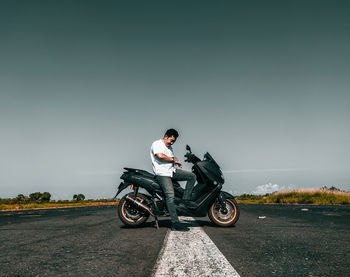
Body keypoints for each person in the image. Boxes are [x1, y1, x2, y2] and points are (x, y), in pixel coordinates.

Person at [150, 128, 197, 231]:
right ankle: (175, 223)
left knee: (192, 176)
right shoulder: (157, 144)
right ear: (166, 136)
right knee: (170, 195)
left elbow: (170, 159)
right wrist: (173, 159)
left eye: (174, 141)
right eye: (171, 140)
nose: (172, 143)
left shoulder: (169, 147)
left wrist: (175, 162)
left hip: (172, 171)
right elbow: (160, 156)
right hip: (162, 174)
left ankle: (185, 200)